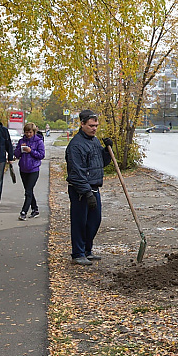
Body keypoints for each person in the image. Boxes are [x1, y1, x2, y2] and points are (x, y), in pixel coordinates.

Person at [65, 109, 112, 265]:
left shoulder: (94, 141)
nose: (94, 128)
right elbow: (75, 173)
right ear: (82, 124)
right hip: (80, 190)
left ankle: (87, 250)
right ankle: (78, 253)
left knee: (94, 221)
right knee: (80, 222)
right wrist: (86, 192)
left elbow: (101, 164)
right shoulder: (76, 146)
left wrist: (106, 151)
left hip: (94, 187)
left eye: (96, 126)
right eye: (91, 125)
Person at [15, 122, 45, 220]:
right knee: (29, 191)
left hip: (33, 169)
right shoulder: (21, 141)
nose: (28, 134)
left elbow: (41, 155)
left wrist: (31, 151)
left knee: (28, 191)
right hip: (23, 169)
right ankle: (35, 209)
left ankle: (24, 211)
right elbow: (16, 154)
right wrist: (20, 149)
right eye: (26, 132)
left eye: (30, 132)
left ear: (34, 132)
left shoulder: (38, 141)